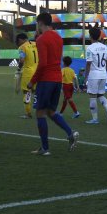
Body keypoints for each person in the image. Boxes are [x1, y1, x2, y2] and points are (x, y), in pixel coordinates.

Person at [27, 13, 78, 155]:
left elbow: (43, 63)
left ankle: (45, 148)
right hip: (57, 79)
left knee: (39, 112)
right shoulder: (58, 37)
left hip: (46, 80)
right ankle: (70, 133)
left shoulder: (42, 39)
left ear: (40, 23)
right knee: (50, 111)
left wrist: (32, 81)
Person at [83, 27, 107, 124]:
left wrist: (86, 76)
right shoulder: (105, 47)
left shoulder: (90, 48)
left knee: (92, 96)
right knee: (100, 95)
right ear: (99, 36)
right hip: (103, 74)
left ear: (90, 36)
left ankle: (95, 119)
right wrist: (106, 71)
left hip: (94, 74)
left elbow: (88, 63)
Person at [16, 32, 38, 119]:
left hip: (28, 72)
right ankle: (41, 111)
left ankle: (28, 113)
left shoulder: (22, 47)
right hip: (38, 72)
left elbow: (21, 60)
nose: (18, 43)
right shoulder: (36, 44)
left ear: (21, 39)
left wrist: (18, 69)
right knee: (36, 93)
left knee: (27, 92)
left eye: (18, 41)